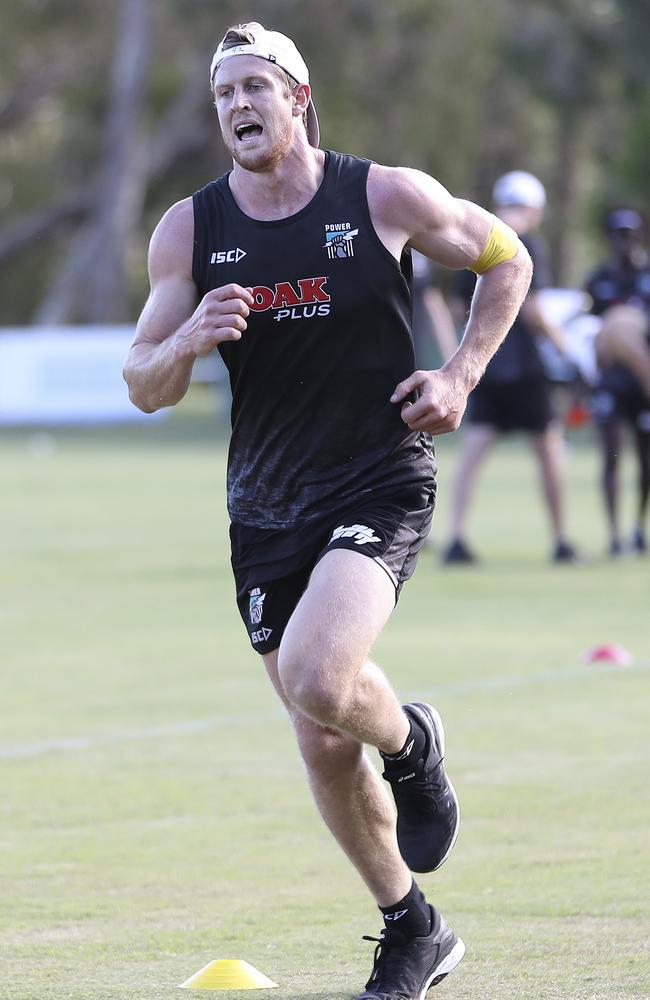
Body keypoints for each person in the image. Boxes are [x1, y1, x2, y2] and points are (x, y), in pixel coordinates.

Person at [123, 22, 531, 998]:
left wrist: (461, 373)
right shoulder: (190, 228)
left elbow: (504, 256)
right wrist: (186, 335)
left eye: (254, 86)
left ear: (297, 98)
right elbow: (143, 381)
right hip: (263, 505)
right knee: (318, 732)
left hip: (378, 474)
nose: (236, 106)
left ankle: (414, 744)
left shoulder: (379, 194)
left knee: (317, 670)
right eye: (222, 94)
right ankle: (412, 928)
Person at [442, 170, 579, 565]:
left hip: (482, 363)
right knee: (549, 451)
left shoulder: (473, 234)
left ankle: (456, 538)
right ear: (534, 208)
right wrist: (567, 349)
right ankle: (561, 540)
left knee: (472, 452)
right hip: (525, 369)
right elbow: (534, 311)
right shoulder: (527, 243)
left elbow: (457, 308)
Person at [585, 208, 650, 556]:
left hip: (644, 383)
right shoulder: (598, 279)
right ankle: (613, 535)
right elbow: (587, 330)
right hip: (611, 381)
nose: (624, 241)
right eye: (618, 234)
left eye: (630, 233)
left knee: (645, 458)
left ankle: (639, 527)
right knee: (611, 455)